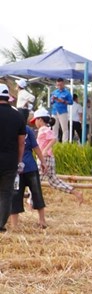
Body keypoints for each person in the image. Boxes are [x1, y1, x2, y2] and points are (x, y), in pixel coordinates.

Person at [29, 107, 84, 204]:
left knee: (35, 180)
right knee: (54, 181)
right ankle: (76, 193)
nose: (35, 123)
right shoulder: (45, 129)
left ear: (40, 120)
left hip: (44, 158)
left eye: (36, 120)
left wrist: (45, 150)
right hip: (49, 158)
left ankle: (31, 202)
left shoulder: (43, 129)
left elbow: (53, 139)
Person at [9, 121, 46, 229]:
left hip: (16, 169)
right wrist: (43, 161)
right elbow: (35, 147)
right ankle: (42, 220)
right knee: (37, 193)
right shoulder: (27, 129)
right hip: (30, 167)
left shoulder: (9, 128)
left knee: (15, 195)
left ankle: (14, 224)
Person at [0, 84, 27, 232]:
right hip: (10, 161)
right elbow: (21, 142)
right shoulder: (18, 116)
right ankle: (0, 224)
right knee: (5, 193)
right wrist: (19, 161)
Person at [49, 77, 73, 143]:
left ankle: (64, 144)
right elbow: (51, 102)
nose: (59, 86)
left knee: (64, 129)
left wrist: (63, 101)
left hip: (63, 112)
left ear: (63, 84)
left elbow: (71, 102)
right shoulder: (54, 92)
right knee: (54, 128)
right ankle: (55, 144)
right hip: (54, 112)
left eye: (60, 85)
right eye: (58, 85)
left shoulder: (67, 93)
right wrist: (53, 99)